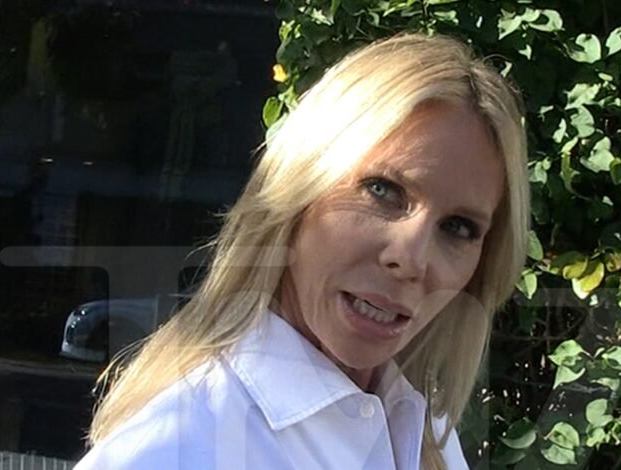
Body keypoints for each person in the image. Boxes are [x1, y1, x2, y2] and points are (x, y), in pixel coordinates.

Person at [74, 32, 529, 470]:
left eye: (458, 228)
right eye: (382, 190)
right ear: (299, 188)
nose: (412, 259)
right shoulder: (178, 446)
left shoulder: (422, 431)